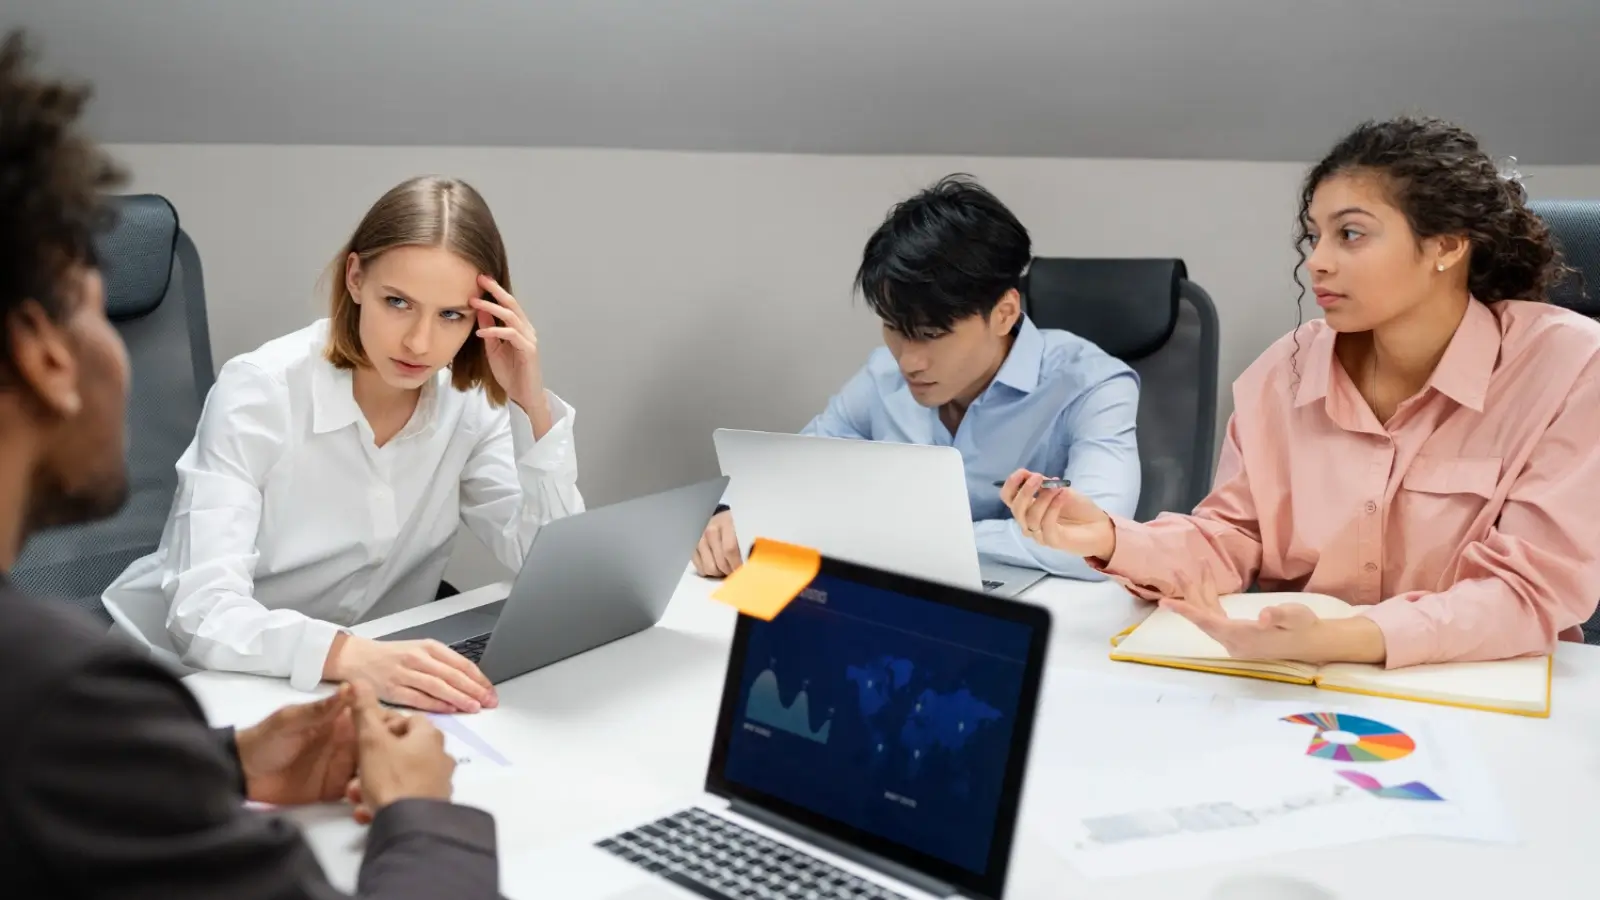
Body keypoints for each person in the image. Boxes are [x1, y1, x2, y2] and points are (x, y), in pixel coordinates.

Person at [0, 31, 501, 897]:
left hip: (248, 722)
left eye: (452, 315)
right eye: (94, 306)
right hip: (208, 682)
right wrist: (426, 817)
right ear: (44, 355)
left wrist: (227, 761)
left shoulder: (54, 704)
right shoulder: (67, 704)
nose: (423, 339)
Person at [1003, 116, 1600, 668]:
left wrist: (1349, 639)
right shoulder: (1282, 372)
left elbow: (1531, 589)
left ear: (1447, 244)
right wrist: (1109, 537)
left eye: (1351, 235)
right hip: (1299, 690)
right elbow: (1230, 540)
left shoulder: (1569, 364)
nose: (1318, 261)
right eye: (1315, 236)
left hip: (1492, 693)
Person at [102, 174, 584, 712]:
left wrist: (530, 402)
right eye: (398, 302)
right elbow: (202, 614)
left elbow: (547, 565)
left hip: (360, 685)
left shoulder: (469, 403)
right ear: (356, 278)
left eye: (452, 315)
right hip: (195, 686)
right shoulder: (261, 390)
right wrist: (352, 657)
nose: (420, 342)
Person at [693, 174, 1141, 581]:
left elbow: (1097, 541)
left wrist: (890, 539)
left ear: (1004, 314)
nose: (908, 361)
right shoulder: (881, 377)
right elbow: (794, 481)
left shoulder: (1093, 386)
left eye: (930, 334)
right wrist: (748, 517)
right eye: (894, 328)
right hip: (899, 599)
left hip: (1043, 618)